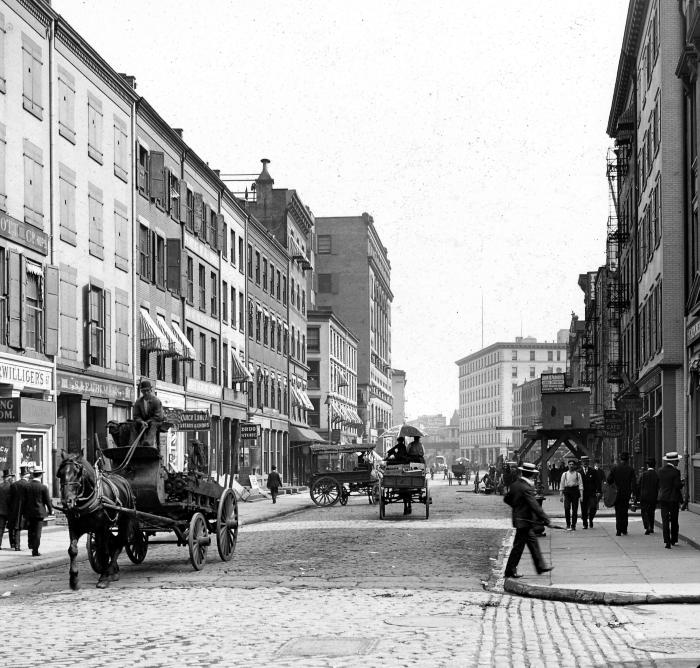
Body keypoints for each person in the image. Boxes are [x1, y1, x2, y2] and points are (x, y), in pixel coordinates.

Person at [503, 462, 553, 579]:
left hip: (521, 520)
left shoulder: (516, 484)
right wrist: (546, 519)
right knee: (518, 547)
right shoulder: (526, 487)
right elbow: (534, 505)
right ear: (531, 475)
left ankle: (540, 566)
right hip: (524, 521)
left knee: (532, 542)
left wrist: (517, 508)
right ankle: (509, 571)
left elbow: (507, 499)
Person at [23, 467, 53, 557]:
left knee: (30, 530)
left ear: (33, 475)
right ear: (40, 475)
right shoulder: (43, 487)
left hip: (29, 512)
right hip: (39, 512)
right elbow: (47, 501)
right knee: (37, 532)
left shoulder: (27, 486)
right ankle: (35, 550)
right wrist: (51, 511)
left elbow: (24, 500)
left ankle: (31, 545)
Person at [657, 451, 683, 549]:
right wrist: (682, 483)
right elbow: (677, 485)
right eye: (678, 461)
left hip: (663, 498)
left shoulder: (660, 470)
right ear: (674, 461)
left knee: (665, 520)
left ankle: (667, 541)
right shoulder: (676, 472)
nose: (678, 462)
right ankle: (673, 539)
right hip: (673, 499)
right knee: (674, 519)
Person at [607, 451, 637, 536]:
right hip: (626, 493)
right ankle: (624, 529)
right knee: (624, 511)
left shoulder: (615, 468)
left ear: (620, 459)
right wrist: (634, 493)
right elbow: (633, 483)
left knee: (618, 511)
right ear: (628, 459)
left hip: (616, 493)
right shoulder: (630, 469)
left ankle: (618, 530)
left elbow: (609, 480)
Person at [132, 379, 164, 448]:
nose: (146, 393)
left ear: (150, 390)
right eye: (144, 391)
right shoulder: (138, 402)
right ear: (141, 391)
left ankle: (148, 443)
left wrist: (147, 422)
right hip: (143, 422)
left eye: (147, 391)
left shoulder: (156, 401)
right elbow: (136, 416)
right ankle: (133, 443)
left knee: (153, 424)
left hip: (155, 422)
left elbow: (159, 416)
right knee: (133, 424)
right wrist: (141, 421)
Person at [9, 467, 30, 551]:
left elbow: (10, 498)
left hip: (15, 509)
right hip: (26, 509)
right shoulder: (28, 485)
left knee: (16, 527)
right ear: (27, 476)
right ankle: (31, 545)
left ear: (21, 475)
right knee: (30, 527)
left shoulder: (14, 485)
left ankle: (16, 545)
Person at [559, 458, 583, 531]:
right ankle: (568, 524)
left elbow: (581, 485)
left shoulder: (578, 474)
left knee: (575, 509)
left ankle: (573, 525)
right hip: (567, 492)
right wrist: (561, 496)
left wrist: (581, 495)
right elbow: (562, 484)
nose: (571, 466)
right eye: (570, 464)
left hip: (575, 491)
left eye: (572, 464)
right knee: (567, 508)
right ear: (568, 465)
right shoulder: (565, 474)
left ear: (574, 466)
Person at [638, 458, 659, 536]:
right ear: (654, 466)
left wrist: (637, 496)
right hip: (653, 496)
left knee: (644, 512)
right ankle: (652, 527)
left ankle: (647, 526)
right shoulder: (656, 475)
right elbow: (658, 486)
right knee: (651, 512)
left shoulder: (643, 474)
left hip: (644, 496)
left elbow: (639, 485)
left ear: (647, 465)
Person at [580, 456, 602, 529]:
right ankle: (585, 524)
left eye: (586, 461)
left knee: (593, 507)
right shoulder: (578, 472)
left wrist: (598, 491)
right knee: (584, 508)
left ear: (588, 462)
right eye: (584, 461)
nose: (585, 463)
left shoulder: (593, 471)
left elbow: (598, 482)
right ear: (581, 462)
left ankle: (591, 519)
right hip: (582, 493)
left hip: (592, 493)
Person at [0, 470, 13, 549]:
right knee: (11, 528)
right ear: (9, 477)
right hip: (10, 511)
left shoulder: (0, 486)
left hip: (1, 511)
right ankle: (13, 544)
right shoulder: (12, 486)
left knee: (0, 529)